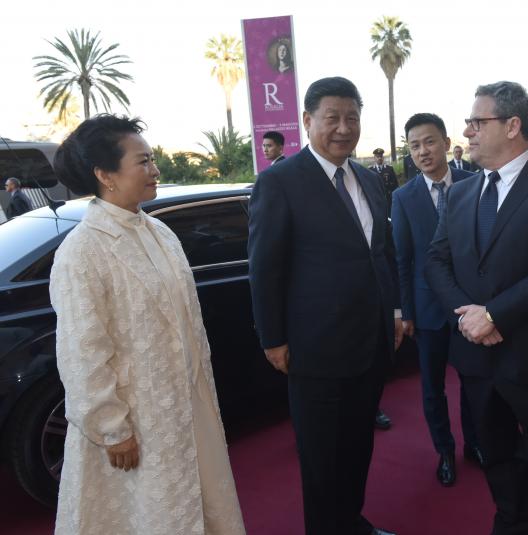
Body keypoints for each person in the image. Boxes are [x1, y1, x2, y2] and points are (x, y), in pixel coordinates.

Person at [49, 115, 245, 534]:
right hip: (134, 421)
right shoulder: (81, 251)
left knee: (201, 507)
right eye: (144, 161)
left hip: (186, 407)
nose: (155, 170)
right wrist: (111, 428)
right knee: (147, 516)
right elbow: (82, 352)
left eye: (153, 159)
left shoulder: (159, 231)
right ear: (106, 175)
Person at [426, 81, 528, 535]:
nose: (469, 131)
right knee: (496, 458)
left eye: (478, 122)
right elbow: (437, 260)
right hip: (476, 357)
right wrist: (470, 315)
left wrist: (493, 315)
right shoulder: (459, 193)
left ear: (513, 125)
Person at [248, 76, 401, 535]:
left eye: (351, 118)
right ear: (307, 121)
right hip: (314, 350)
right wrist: (272, 338)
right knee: (321, 457)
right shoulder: (279, 182)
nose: (343, 127)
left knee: (357, 447)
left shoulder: (370, 180)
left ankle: (352, 522)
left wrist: (393, 313)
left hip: (370, 343)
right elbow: (266, 267)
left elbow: (382, 254)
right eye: (332, 117)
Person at [391, 112, 482, 487]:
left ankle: (475, 443)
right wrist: (405, 311)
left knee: (474, 380)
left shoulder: (474, 183)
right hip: (426, 310)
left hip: (468, 306)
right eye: (414, 146)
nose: (423, 151)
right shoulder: (403, 197)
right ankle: (444, 450)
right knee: (433, 388)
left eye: (429, 142)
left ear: (446, 143)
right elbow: (401, 258)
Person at [371, 147, 399, 216]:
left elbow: (395, 184)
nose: (379, 158)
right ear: (374, 158)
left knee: (390, 215)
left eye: (381, 156)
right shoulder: (370, 170)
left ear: (383, 157)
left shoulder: (389, 169)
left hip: (388, 198)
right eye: (377, 157)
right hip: (376, 198)